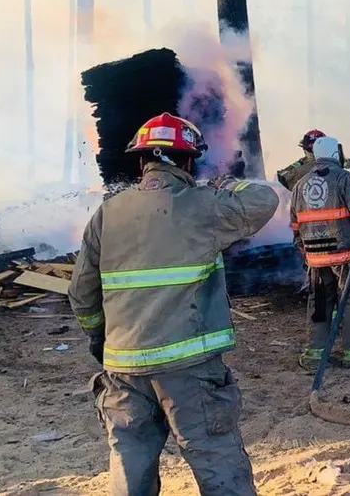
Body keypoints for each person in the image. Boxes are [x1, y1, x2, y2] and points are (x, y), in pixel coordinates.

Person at [68, 112, 280, 496]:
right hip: (189, 369)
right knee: (215, 457)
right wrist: (226, 183)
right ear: (187, 162)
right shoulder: (204, 204)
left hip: (124, 367)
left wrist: (101, 338)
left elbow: (81, 293)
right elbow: (264, 199)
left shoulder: (107, 213)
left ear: (141, 160)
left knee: (130, 464)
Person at [290, 135, 350, 370]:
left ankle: (316, 353)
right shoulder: (344, 179)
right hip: (346, 254)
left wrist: (305, 248)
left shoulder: (300, 185)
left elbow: (295, 224)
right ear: (336, 154)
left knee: (319, 302)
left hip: (316, 259)